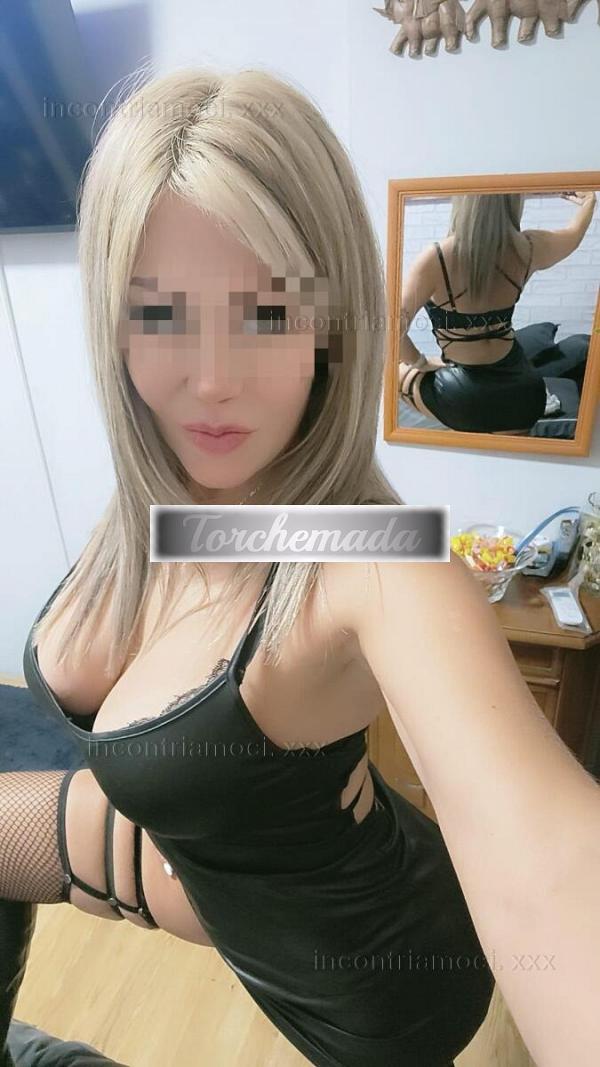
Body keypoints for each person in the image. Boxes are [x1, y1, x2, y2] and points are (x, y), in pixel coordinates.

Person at [3, 65, 600, 1067]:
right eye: (162, 314)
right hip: (202, 874)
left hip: (372, 973)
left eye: (267, 313)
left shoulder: (375, 558)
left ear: (332, 321)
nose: (211, 380)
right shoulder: (175, 500)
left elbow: (551, 866)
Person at [398, 190, 597, 433]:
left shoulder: (437, 257)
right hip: (525, 394)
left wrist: (419, 361)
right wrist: (589, 203)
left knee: (392, 371)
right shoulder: (528, 247)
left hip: (465, 397)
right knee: (509, 454)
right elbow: (573, 235)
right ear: (514, 201)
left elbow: (391, 327)